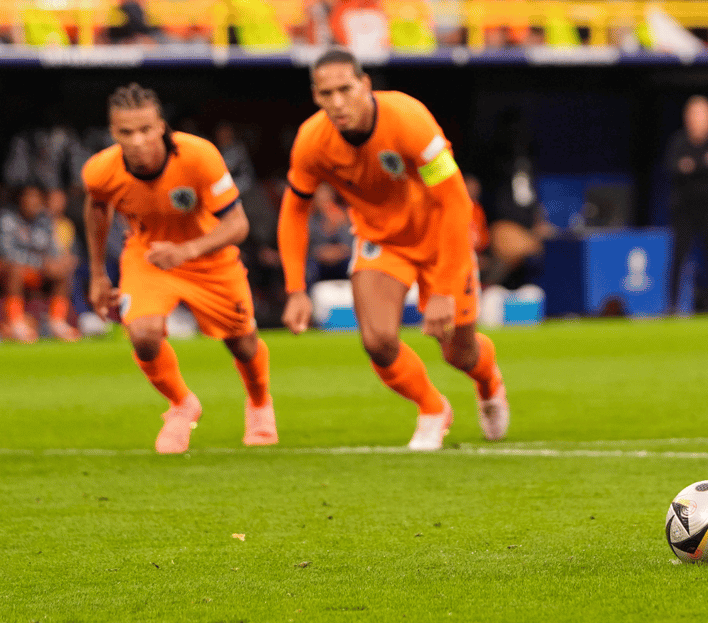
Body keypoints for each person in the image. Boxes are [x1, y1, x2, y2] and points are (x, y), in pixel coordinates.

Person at [277, 50, 508, 450]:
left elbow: (455, 204)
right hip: (381, 241)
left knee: (459, 353)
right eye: (326, 93)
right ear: (315, 96)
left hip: (440, 239)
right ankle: (433, 408)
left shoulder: (408, 120)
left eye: (345, 89)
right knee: (378, 341)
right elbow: (294, 209)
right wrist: (296, 289)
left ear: (365, 85)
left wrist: (441, 291)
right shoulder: (312, 141)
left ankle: (488, 381)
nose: (337, 101)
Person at [82, 84, 275, 453]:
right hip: (149, 256)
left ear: (161, 126)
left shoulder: (199, 156)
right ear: (113, 133)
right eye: (126, 132)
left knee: (242, 343)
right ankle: (181, 404)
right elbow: (96, 208)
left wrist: (186, 250)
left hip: (209, 258)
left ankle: (259, 402)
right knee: (142, 333)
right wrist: (96, 274)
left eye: (145, 129)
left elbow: (237, 225)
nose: (137, 140)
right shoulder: (100, 171)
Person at [665, 95, 708, 314]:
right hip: (683, 210)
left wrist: (692, 166)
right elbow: (675, 167)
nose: (700, 120)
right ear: (687, 118)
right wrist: (702, 164)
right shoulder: (678, 142)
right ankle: (672, 305)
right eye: (696, 115)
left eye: (704, 115)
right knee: (678, 257)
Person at [2, 182, 79, 342]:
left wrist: (58, 262)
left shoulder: (46, 221)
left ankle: (57, 322)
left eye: (36, 197)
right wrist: (41, 263)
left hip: (38, 273)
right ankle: (16, 323)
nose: (33, 201)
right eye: (29, 196)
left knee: (62, 270)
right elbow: (8, 253)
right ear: (20, 199)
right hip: (10, 272)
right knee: (15, 268)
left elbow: (53, 249)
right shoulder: (7, 220)